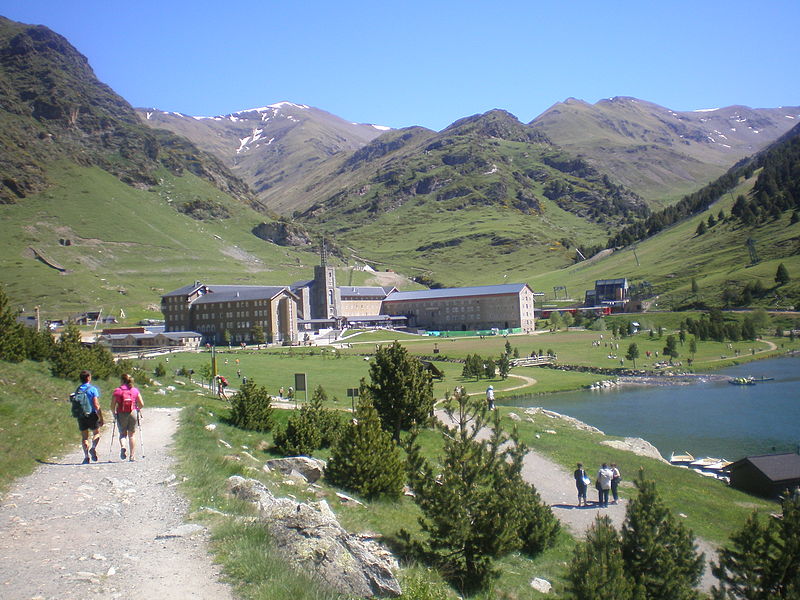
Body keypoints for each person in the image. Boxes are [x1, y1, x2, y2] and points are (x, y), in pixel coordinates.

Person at [111, 373, 144, 461]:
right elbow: (141, 404)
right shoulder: (134, 390)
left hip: (121, 413)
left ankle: (123, 447)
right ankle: (132, 456)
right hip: (132, 412)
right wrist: (137, 409)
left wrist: (114, 413)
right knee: (132, 435)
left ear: (122, 380)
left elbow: (112, 405)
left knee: (122, 434)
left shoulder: (117, 391)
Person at [74, 370, 103, 464]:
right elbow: (96, 405)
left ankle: (86, 457)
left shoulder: (78, 389)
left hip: (81, 415)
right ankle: (93, 448)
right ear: (88, 378)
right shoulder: (92, 389)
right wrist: (101, 417)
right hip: (92, 414)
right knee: (96, 433)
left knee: (84, 437)